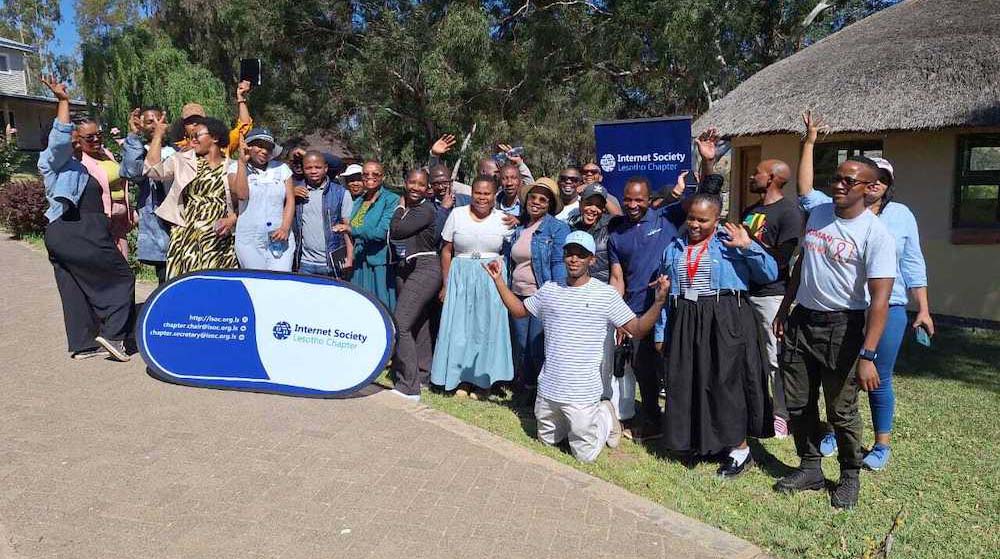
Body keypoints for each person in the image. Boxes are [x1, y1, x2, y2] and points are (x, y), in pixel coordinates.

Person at [798, 111, 933, 471]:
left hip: (888, 307)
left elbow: (914, 263)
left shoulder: (899, 216)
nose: (874, 185)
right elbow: (806, 191)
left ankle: (881, 442)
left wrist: (923, 308)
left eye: (882, 180)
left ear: (885, 184)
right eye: (868, 178)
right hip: (847, 311)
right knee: (841, 376)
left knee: (875, 374)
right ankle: (837, 433)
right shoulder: (832, 211)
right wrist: (810, 143)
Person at [773, 156, 896, 510]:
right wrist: (785, 308)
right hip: (802, 322)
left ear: (869, 189)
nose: (839, 185)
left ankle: (849, 475)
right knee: (798, 402)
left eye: (849, 181)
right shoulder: (820, 214)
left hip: (843, 328)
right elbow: (801, 266)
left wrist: (868, 355)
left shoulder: (876, 235)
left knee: (841, 411)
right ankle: (810, 467)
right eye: (837, 178)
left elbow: (880, 300)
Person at [484, 231, 670, 463]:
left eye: (581, 255)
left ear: (591, 260)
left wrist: (660, 301)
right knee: (547, 441)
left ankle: (604, 414)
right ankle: (571, 423)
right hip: (550, 388)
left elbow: (638, 328)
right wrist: (498, 280)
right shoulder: (550, 290)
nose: (574, 259)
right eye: (569, 253)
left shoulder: (606, 295)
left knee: (584, 456)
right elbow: (519, 311)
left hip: (582, 392)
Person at [658, 193, 778, 477]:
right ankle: (697, 442)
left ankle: (739, 450)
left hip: (724, 314)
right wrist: (661, 331)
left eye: (703, 220)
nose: (695, 225)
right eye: (691, 218)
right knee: (688, 380)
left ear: (717, 219)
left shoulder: (730, 241)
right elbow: (664, 292)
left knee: (726, 383)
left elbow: (770, 273)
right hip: (685, 315)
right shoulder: (674, 247)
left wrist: (748, 247)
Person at [37, 77, 135, 362]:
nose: (95, 140)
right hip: (77, 229)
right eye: (88, 137)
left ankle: (83, 343)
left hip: (66, 233)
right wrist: (63, 102)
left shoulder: (95, 159)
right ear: (73, 139)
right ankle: (115, 335)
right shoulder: (56, 163)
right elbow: (57, 142)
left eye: (98, 135)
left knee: (74, 285)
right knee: (121, 277)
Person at [607, 176, 684, 440]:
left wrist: (707, 164)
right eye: (628, 199)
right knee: (644, 370)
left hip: (672, 309)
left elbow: (702, 200)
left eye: (639, 200)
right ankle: (652, 420)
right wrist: (619, 315)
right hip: (637, 313)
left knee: (675, 369)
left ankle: (680, 425)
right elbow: (617, 278)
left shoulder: (667, 218)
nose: (632, 205)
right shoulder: (616, 234)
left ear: (649, 199)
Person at [431, 175, 515, 399]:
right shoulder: (457, 215)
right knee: (461, 329)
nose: (482, 197)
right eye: (478, 192)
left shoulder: (503, 219)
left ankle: (484, 382)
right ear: (472, 193)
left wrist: (517, 221)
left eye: (487, 193)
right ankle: (462, 379)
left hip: (492, 277)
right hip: (461, 276)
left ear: (493, 195)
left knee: (487, 329)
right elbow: (447, 250)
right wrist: (446, 284)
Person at [738, 158, 804, 439]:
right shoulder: (750, 210)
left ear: (774, 178)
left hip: (771, 295)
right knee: (749, 356)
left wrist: (750, 245)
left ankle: (782, 415)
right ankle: (755, 409)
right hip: (744, 292)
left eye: (757, 172)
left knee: (775, 357)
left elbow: (782, 259)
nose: (752, 176)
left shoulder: (790, 213)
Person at [568, 183, 634, 420]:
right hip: (576, 301)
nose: (592, 209)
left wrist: (618, 316)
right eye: (589, 203)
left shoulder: (613, 229)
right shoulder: (571, 225)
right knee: (581, 356)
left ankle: (609, 410)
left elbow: (617, 276)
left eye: (598, 205)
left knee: (606, 359)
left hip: (602, 302)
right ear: (580, 203)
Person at [145, 114, 239, 279]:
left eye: (196, 136)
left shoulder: (231, 166)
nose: (192, 141)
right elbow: (152, 171)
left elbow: (244, 202)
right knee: (187, 283)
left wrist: (232, 219)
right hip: (187, 233)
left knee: (215, 283)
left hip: (218, 235)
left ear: (215, 137)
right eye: (190, 137)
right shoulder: (182, 160)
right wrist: (158, 135)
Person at [504, 177, 569, 394]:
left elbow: (559, 262)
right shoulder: (519, 228)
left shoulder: (557, 229)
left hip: (541, 294)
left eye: (543, 199)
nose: (537, 202)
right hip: (517, 294)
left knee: (538, 346)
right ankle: (527, 389)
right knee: (521, 346)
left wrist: (557, 293)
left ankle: (544, 393)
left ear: (549, 204)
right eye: (533, 197)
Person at [388, 170, 442, 400]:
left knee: (401, 323)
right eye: (412, 182)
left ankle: (409, 387)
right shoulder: (412, 208)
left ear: (427, 188)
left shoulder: (425, 209)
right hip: (407, 267)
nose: (416, 187)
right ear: (405, 182)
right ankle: (421, 374)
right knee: (418, 323)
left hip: (425, 267)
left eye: (421, 184)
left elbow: (397, 230)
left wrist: (399, 208)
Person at [121, 106, 175, 284]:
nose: (155, 125)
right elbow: (131, 172)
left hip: (181, 221)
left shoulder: (177, 150)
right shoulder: (138, 150)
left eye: (159, 120)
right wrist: (134, 136)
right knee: (165, 277)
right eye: (149, 122)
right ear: (141, 125)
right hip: (158, 225)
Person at [229, 128, 296, 271]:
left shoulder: (282, 168)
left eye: (268, 148)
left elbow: (290, 200)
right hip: (250, 238)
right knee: (257, 281)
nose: (264, 151)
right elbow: (241, 195)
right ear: (249, 146)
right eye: (259, 145)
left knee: (281, 281)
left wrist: (285, 227)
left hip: (279, 237)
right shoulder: (235, 168)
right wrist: (242, 163)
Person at [291, 151, 354, 277]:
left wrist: (350, 256)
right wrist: (290, 195)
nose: (313, 171)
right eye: (308, 168)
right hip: (304, 263)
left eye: (318, 167)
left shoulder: (340, 193)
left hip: (332, 262)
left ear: (325, 168)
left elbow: (347, 227)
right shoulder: (296, 192)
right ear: (303, 169)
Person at [350, 160, 400, 310]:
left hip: (379, 262)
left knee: (381, 306)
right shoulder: (359, 200)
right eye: (365, 174)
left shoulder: (391, 200)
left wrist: (351, 230)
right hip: (359, 261)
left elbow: (381, 233)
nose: (369, 177)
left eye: (375, 174)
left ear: (383, 177)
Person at [169, 80, 254, 158]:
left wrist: (240, 98)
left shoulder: (221, 144)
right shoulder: (176, 149)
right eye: (190, 122)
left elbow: (244, 126)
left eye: (198, 120)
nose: (194, 124)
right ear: (183, 127)